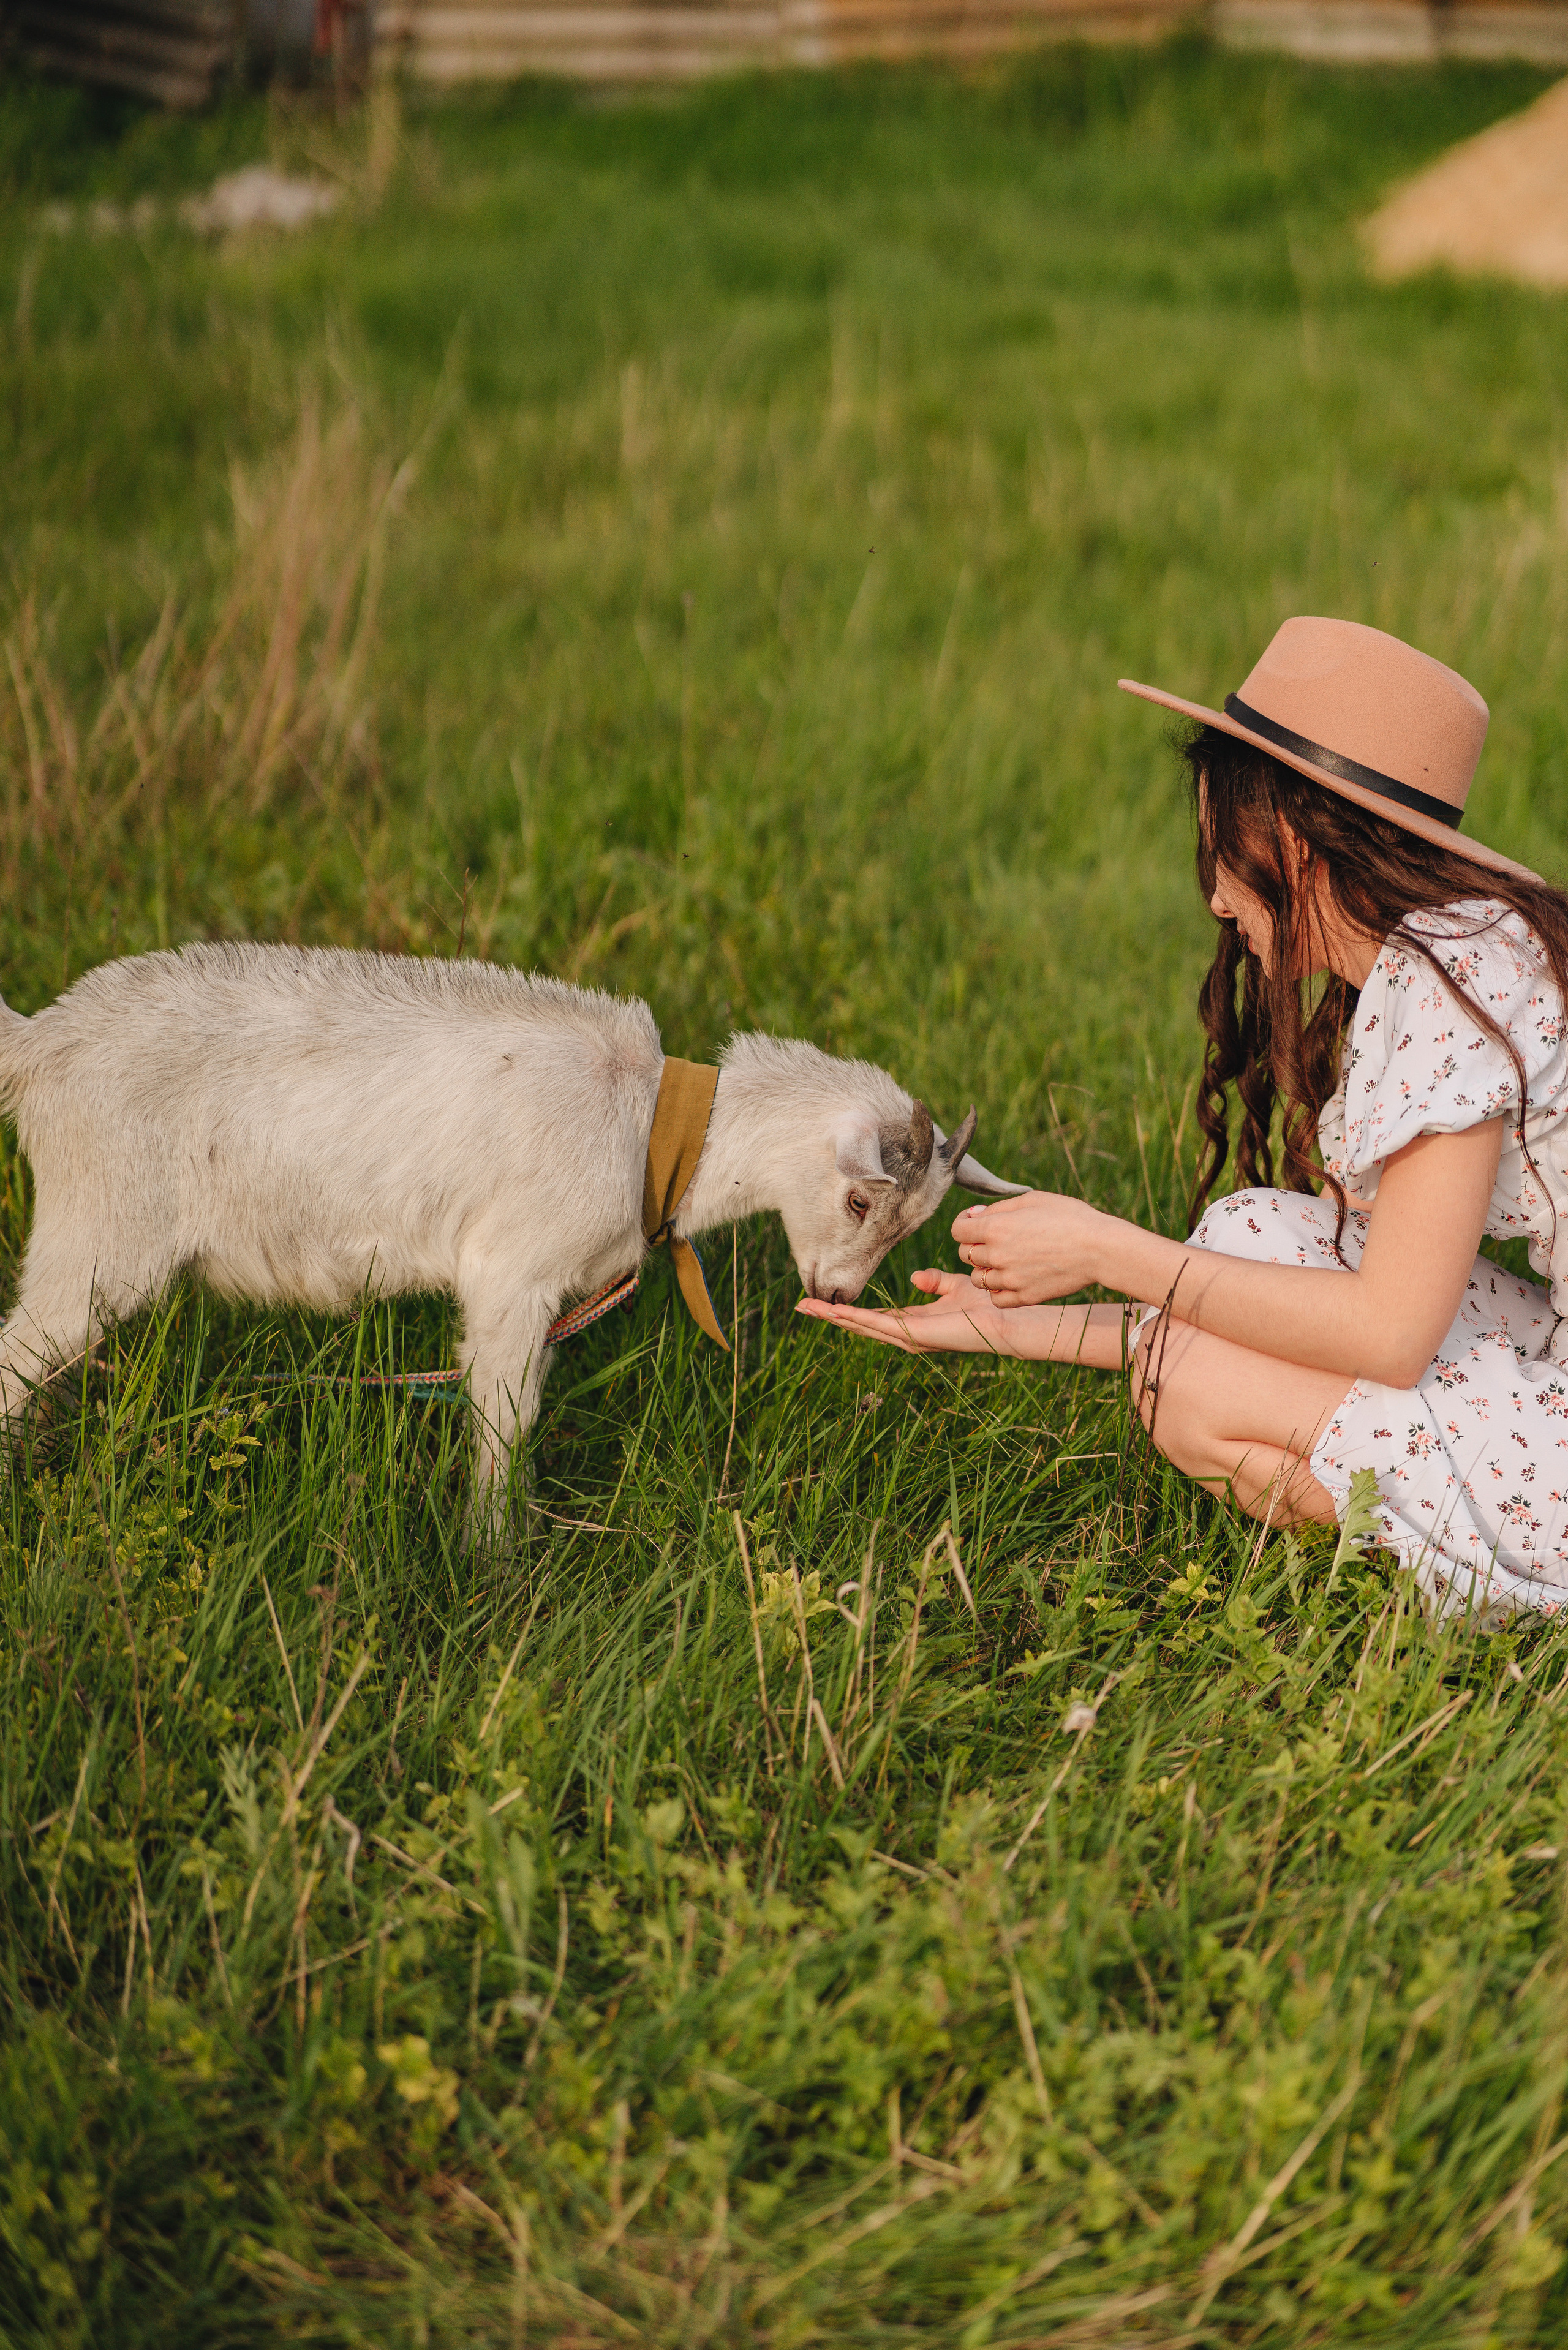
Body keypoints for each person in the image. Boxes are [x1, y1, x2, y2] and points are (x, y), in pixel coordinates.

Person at [799, 616, 1568, 1625]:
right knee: (1254, 1231)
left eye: (1222, 848)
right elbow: (1354, 1304)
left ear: (1293, 838)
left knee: (1190, 1387)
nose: (1214, 893)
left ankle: (1466, 1591)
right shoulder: (1454, 950)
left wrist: (1106, 1245)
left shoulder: (1446, 979)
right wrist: (1008, 1327)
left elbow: (1386, 1334)